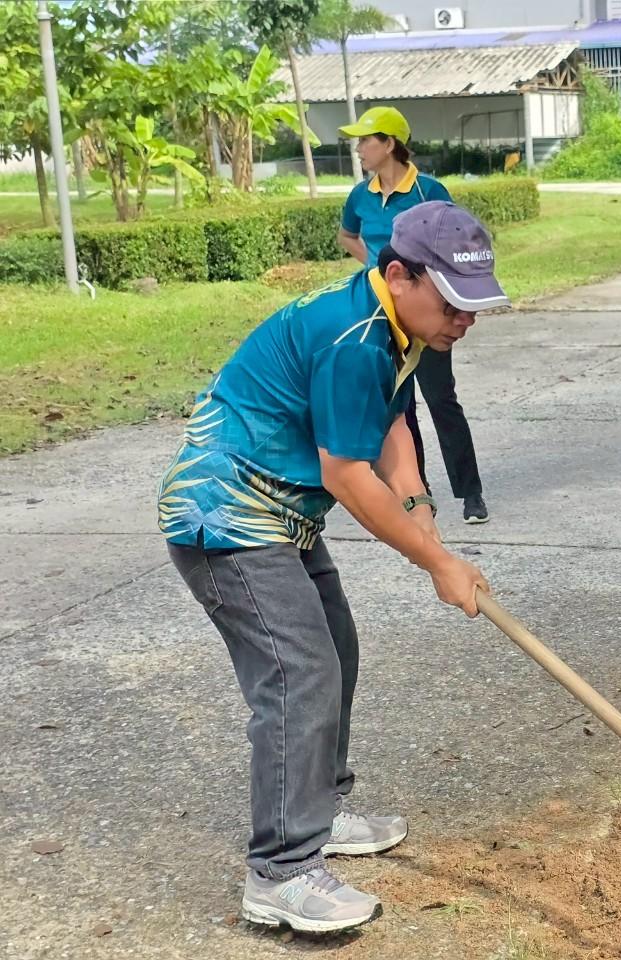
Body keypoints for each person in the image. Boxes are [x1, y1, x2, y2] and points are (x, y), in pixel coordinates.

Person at [158, 202, 508, 932]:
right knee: (299, 672)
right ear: (398, 275)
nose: (463, 321)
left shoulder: (397, 326)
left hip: (281, 511)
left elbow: (391, 425)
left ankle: (317, 808)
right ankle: (281, 870)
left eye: (473, 306)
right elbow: (348, 476)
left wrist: (418, 507)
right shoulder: (354, 338)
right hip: (227, 513)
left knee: (335, 649)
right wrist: (436, 561)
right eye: (451, 303)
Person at [338, 106, 491, 525]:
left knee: (441, 399)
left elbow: (457, 241)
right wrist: (377, 265)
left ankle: (471, 492)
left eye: (365, 141)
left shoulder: (428, 191)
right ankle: (415, 494)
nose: (359, 150)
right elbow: (347, 235)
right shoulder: (359, 195)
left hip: (426, 312)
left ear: (389, 144)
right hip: (380, 313)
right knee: (396, 407)